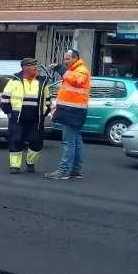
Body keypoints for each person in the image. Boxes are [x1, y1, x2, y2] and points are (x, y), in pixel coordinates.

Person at [45, 49, 91, 180]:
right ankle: (76, 170)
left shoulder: (81, 70)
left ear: (75, 58)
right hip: (73, 110)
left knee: (69, 142)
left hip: (73, 111)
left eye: (67, 59)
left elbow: (77, 81)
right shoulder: (75, 70)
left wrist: (61, 69)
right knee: (75, 141)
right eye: (64, 59)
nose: (65, 61)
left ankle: (64, 171)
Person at [1, 57, 51, 174]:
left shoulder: (42, 82)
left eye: (36, 65)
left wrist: (43, 114)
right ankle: (15, 166)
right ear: (25, 68)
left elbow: (48, 101)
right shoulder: (14, 81)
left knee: (37, 142)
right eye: (33, 65)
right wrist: (9, 113)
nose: (36, 68)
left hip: (36, 120)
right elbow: (5, 99)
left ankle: (30, 162)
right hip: (17, 118)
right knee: (16, 140)